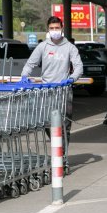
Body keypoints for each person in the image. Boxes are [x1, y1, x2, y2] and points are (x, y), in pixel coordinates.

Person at [21, 16, 83, 166]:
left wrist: (72, 78)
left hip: (64, 91)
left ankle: (62, 155)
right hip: (46, 91)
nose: (54, 31)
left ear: (62, 28)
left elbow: (79, 66)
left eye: (57, 28)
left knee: (64, 125)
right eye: (52, 28)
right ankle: (58, 148)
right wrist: (24, 76)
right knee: (47, 123)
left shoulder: (70, 47)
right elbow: (31, 63)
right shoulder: (43, 47)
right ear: (48, 29)